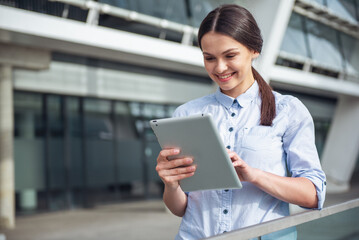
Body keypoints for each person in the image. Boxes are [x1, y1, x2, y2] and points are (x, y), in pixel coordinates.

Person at [155, 4, 326, 240]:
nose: (220, 67)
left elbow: (314, 195)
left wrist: (253, 175)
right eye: (209, 58)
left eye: (230, 55)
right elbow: (181, 209)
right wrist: (171, 184)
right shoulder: (186, 114)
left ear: (254, 49)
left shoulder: (288, 110)